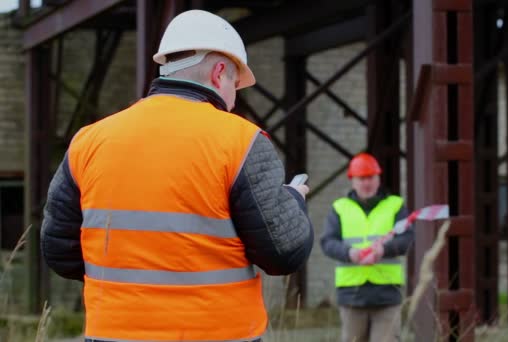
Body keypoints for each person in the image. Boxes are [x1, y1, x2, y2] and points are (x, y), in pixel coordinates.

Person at [40, 10, 313, 342]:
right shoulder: (240, 141)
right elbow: (283, 253)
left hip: (113, 334)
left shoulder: (89, 141)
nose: (234, 95)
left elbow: (58, 251)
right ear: (219, 72)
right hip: (218, 335)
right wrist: (294, 203)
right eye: (235, 84)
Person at [321, 153, 414, 342]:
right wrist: (350, 253)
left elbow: (407, 239)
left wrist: (383, 250)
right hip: (351, 296)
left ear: (379, 178)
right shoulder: (339, 208)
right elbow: (328, 242)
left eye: (370, 177)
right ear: (352, 181)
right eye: (361, 178)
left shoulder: (395, 206)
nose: (366, 183)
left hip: (387, 294)